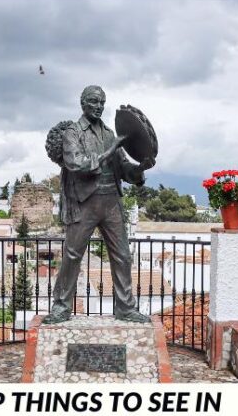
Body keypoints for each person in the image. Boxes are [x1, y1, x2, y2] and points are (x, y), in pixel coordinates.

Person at [45, 85, 155, 324]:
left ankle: (126, 308)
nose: (98, 106)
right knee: (73, 255)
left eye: (102, 102)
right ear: (83, 103)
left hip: (111, 202)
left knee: (122, 256)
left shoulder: (108, 133)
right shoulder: (73, 133)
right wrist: (110, 150)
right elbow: (77, 164)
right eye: (94, 101)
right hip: (85, 202)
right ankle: (61, 307)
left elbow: (124, 169)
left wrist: (140, 169)